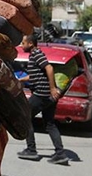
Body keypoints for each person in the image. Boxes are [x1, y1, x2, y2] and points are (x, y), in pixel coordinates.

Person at [17, 33, 69, 165]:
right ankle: (60, 154)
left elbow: (49, 68)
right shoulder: (34, 56)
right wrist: (21, 80)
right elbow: (36, 74)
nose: (21, 46)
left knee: (25, 116)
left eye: (23, 43)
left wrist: (52, 88)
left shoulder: (36, 54)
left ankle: (31, 150)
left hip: (42, 94)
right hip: (48, 96)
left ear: (30, 44)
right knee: (50, 123)